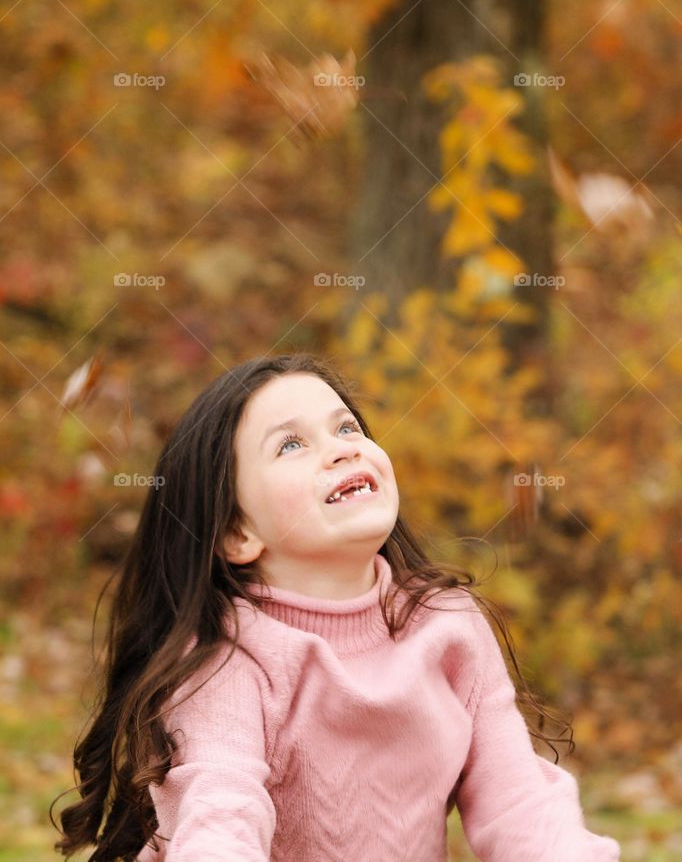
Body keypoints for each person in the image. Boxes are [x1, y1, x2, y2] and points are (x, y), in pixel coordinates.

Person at [52, 352, 622, 861]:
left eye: (346, 427)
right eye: (291, 444)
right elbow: (222, 815)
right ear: (236, 533)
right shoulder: (228, 663)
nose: (342, 448)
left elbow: (517, 802)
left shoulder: (447, 625)